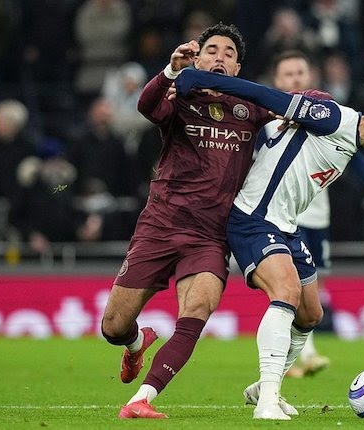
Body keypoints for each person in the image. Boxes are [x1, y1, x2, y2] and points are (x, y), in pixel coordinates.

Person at [173, 67, 364, 419]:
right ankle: (267, 401)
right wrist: (199, 78)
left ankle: (264, 387)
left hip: (285, 228)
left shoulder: (350, 140)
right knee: (287, 292)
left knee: (311, 314)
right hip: (253, 218)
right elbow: (266, 96)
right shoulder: (334, 118)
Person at [103, 24, 272, 419]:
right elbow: (146, 107)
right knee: (113, 326)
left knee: (195, 313)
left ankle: (141, 400)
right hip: (160, 225)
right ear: (197, 59)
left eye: (229, 53)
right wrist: (170, 71)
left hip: (210, 236)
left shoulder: (253, 110)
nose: (219, 57)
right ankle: (135, 345)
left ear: (238, 67)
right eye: (211, 49)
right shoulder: (180, 97)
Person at [265, 50, 364, 379]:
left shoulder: (325, 117)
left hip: (317, 214)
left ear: (310, 78)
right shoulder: (264, 126)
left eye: (300, 73)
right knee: (291, 285)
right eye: (288, 74)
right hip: (283, 217)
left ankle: (295, 356)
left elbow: (358, 152)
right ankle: (304, 355)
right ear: (277, 82)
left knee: (312, 289)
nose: (295, 79)